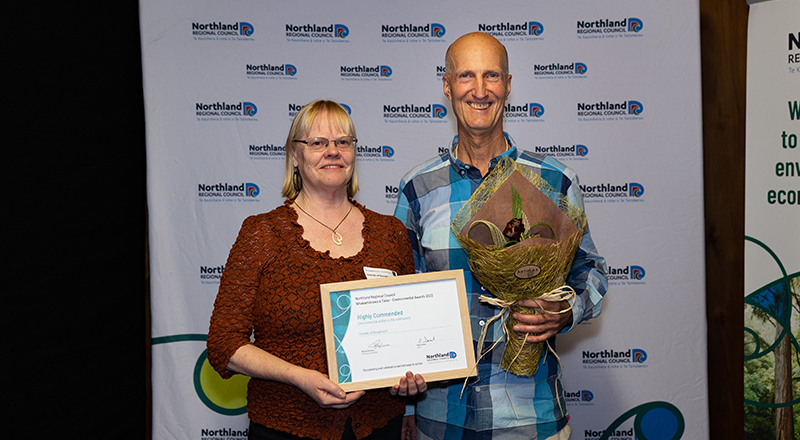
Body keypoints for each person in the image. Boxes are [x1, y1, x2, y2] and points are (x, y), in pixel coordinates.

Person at [393, 33, 608, 440]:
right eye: (465, 76)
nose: (479, 90)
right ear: (447, 85)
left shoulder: (554, 180)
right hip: (442, 421)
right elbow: (403, 295)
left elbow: (592, 272)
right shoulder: (417, 188)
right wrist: (405, 405)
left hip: (531, 417)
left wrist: (565, 311)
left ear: (508, 84)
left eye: (491, 75)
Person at [208, 100, 426, 440]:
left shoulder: (390, 234)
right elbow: (224, 344)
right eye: (318, 143)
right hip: (286, 426)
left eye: (343, 142)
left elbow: (410, 337)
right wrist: (299, 377)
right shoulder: (262, 234)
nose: (333, 151)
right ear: (295, 155)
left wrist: (410, 377)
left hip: (379, 427)